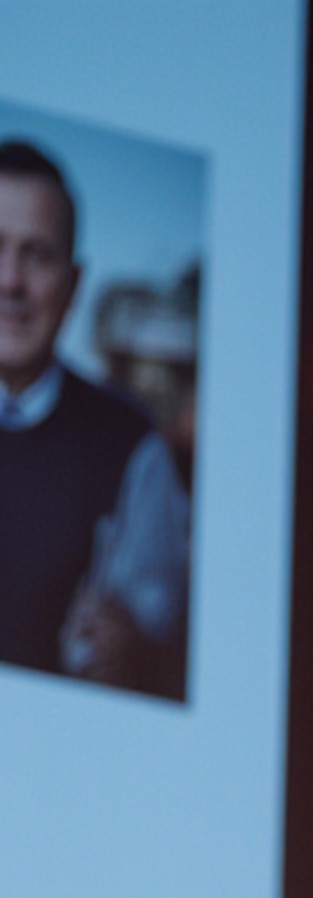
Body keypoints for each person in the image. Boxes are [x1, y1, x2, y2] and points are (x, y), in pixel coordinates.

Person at [0, 138, 190, 695]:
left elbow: (160, 622)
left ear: (74, 284)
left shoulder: (131, 445)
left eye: (37, 255)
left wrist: (132, 645)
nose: (11, 281)